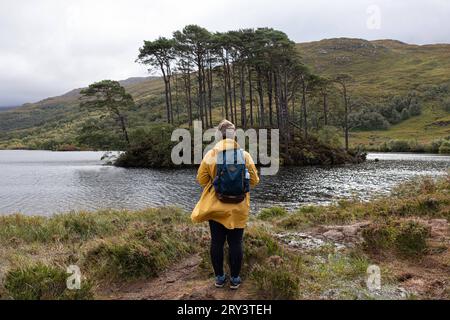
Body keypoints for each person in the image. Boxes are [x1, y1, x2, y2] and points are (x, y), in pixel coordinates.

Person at [191, 119, 260, 290]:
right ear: (234, 135)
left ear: (218, 135)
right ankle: (235, 279)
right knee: (236, 243)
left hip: (216, 208)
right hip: (239, 208)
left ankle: (220, 278)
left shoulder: (210, 155)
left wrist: (216, 181)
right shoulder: (244, 155)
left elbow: (201, 180)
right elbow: (254, 180)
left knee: (217, 243)